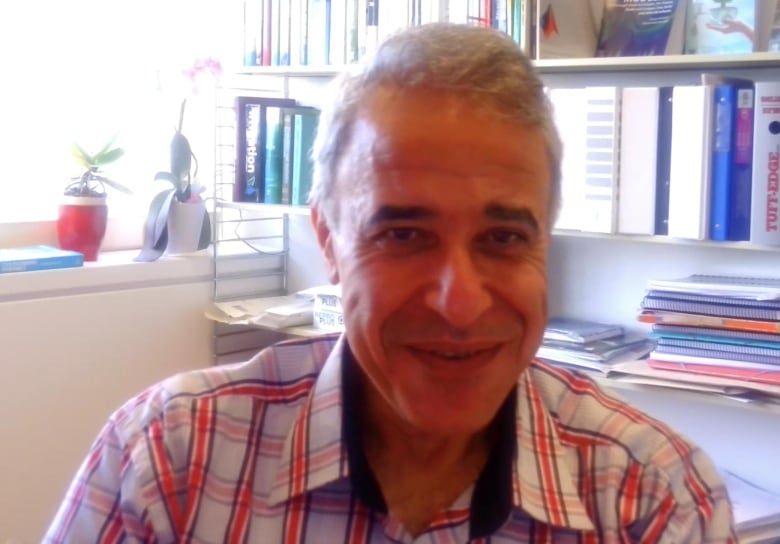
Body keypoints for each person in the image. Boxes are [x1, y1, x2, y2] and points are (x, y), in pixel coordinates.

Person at [45, 23, 736, 543]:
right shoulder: (168, 462)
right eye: (403, 235)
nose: (460, 304)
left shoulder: (652, 497)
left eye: (503, 238)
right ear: (329, 244)